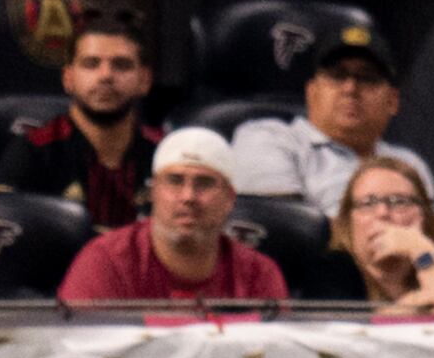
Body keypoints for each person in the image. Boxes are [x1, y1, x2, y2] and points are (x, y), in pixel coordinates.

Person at [56, 126, 286, 305]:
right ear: (153, 192)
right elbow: (80, 355)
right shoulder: (105, 261)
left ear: (230, 198)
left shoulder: (259, 275)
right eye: (175, 181)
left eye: (204, 183)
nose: (188, 196)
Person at [229, 25, 432, 211]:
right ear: (311, 92)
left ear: (393, 101)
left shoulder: (410, 164)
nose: (350, 88)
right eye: (337, 75)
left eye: (367, 78)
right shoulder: (266, 138)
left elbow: (426, 242)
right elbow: (283, 231)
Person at [0, 7, 153, 228]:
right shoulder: (32, 152)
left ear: (144, 80)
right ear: (68, 78)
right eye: (91, 64)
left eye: (121, 65)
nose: (106, 75)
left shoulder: (168, 154)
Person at [336, 157, 434, 318]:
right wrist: (421, 301)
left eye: (399, 201)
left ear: (424, 217)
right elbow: (352, 334)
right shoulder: (332, 270)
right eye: (368, 203)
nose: (382, 213)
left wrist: (420, 249)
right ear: (348, 222)